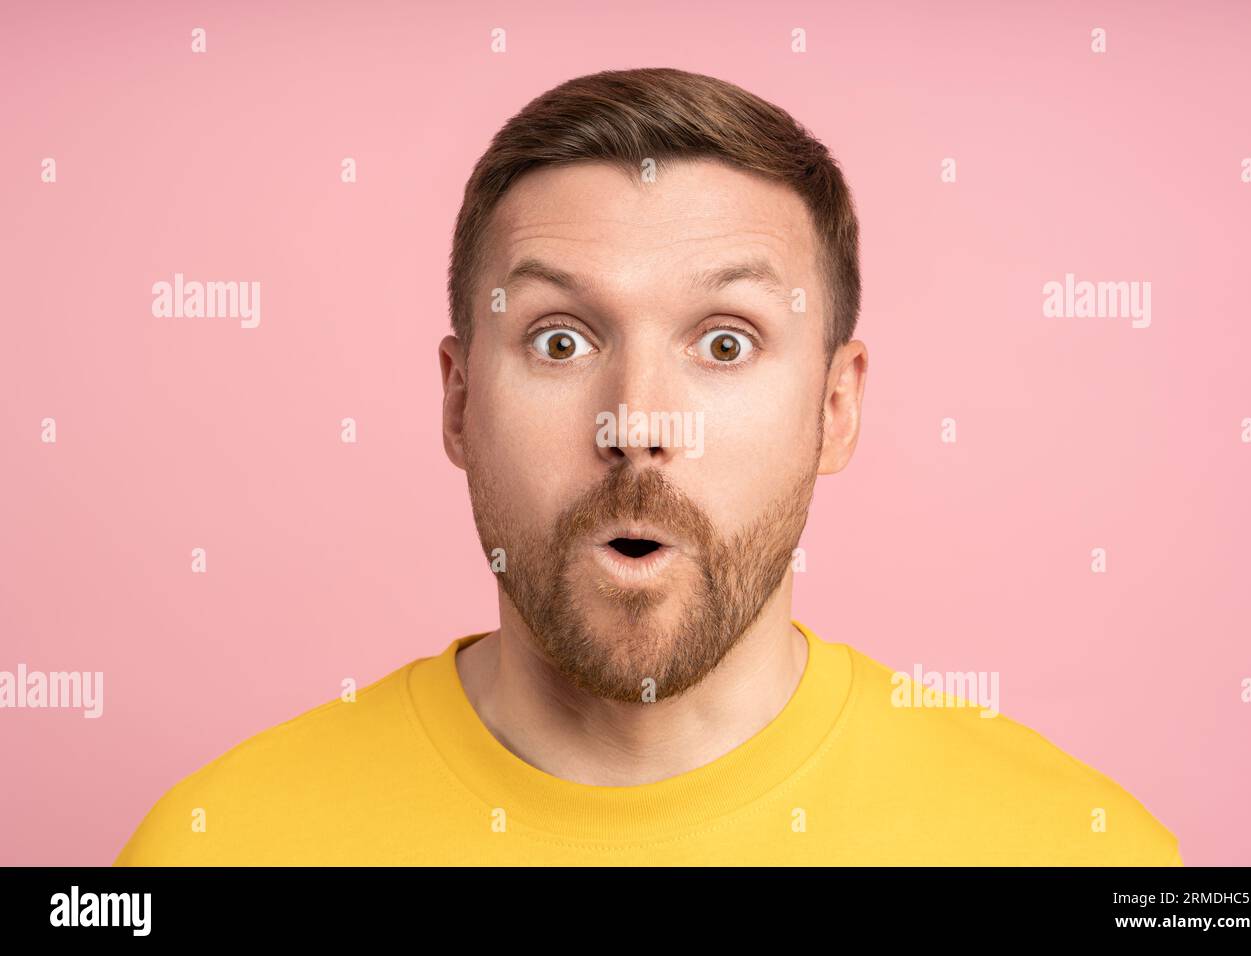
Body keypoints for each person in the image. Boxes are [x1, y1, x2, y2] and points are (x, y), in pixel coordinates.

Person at [115, 67, 1180, 866]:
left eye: (724, 341)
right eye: (560, 339)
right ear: (457, 398)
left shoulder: (1077, 850)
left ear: (836, 404)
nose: (635, 422)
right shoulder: (217, 846)